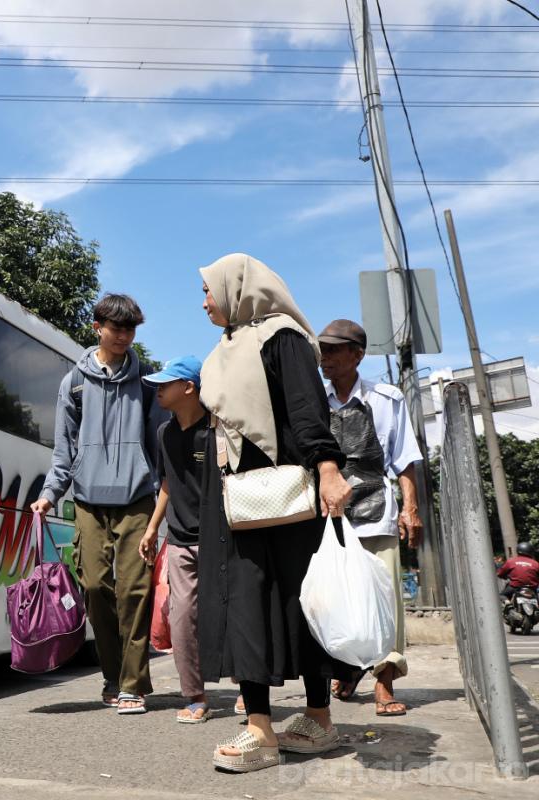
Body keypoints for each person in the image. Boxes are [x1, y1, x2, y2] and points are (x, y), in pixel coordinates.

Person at [195, 254, 352, 774]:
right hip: (235, 498)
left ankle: (318, 718)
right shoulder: (225, 349)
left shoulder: (282, 337)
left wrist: (328, 469)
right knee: (244, 605)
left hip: (287, 496)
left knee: (299, 602)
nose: (204, 301)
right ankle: (260, 728)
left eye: (208, 290)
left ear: (236, 288)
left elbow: (308, 410)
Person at [31, 293, 167, 715]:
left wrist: (165, 499)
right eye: (117, 328)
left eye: (130, 329)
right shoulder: (73, 382)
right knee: (94, 588)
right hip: (88, 500)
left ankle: (132, 685)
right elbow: (64, 449)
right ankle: (111, 676)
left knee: (135, 591)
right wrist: (50, 493)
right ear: (98, 328)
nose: (124, 336)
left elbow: (158, 445)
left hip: (137, 499)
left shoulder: (145, 381)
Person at [319, 318, 424, 717]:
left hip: (376, 507)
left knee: (384, 597)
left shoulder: (386, 397)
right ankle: (348, 669)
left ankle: (384, 680)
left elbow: (403, 458)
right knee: (335, 597)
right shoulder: (315, 398)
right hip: (329, 512)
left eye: (333, 350)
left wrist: (410, 508)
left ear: (357, 354)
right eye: (322, 349)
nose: (324, 357)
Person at [138, 355, 216, 724]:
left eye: (165, 383)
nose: (157, 389)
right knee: (182, 616)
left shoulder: (218, 429)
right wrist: (154, 528)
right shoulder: (164, 433)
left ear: (188, 387)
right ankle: (195, 695)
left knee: (231, 615)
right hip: (180, 538)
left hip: (222, 538)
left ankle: (249, 691)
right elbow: (167, 482)